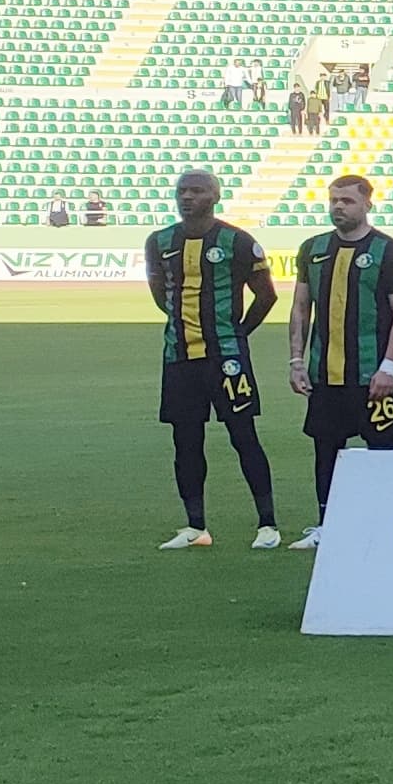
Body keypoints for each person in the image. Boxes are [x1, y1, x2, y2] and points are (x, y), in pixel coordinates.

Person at [147, 169, 281, 548]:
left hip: (226, 360)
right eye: (182, 190)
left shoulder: (237, 241)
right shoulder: (160, 241)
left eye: (197, 191)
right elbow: (161, 294)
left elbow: (266, 296)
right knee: (185, 441)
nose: (187, 197)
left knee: (243, 436)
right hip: (178, 357)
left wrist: (236, 334)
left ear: (215, 197)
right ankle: (195, 527)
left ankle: (267, 525)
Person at [280, 172, 393, 544]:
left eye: (348, 200)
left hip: (371, 376)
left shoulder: (388, 250)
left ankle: (390, 524)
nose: (338, 206)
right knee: (326, 451)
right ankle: (327, 525)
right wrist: (296, 360)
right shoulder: (313, 248)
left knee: (382, 450)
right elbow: (301, 307)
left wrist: (389, 366)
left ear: (368, 204)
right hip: (325, 374)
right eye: (334, 200)